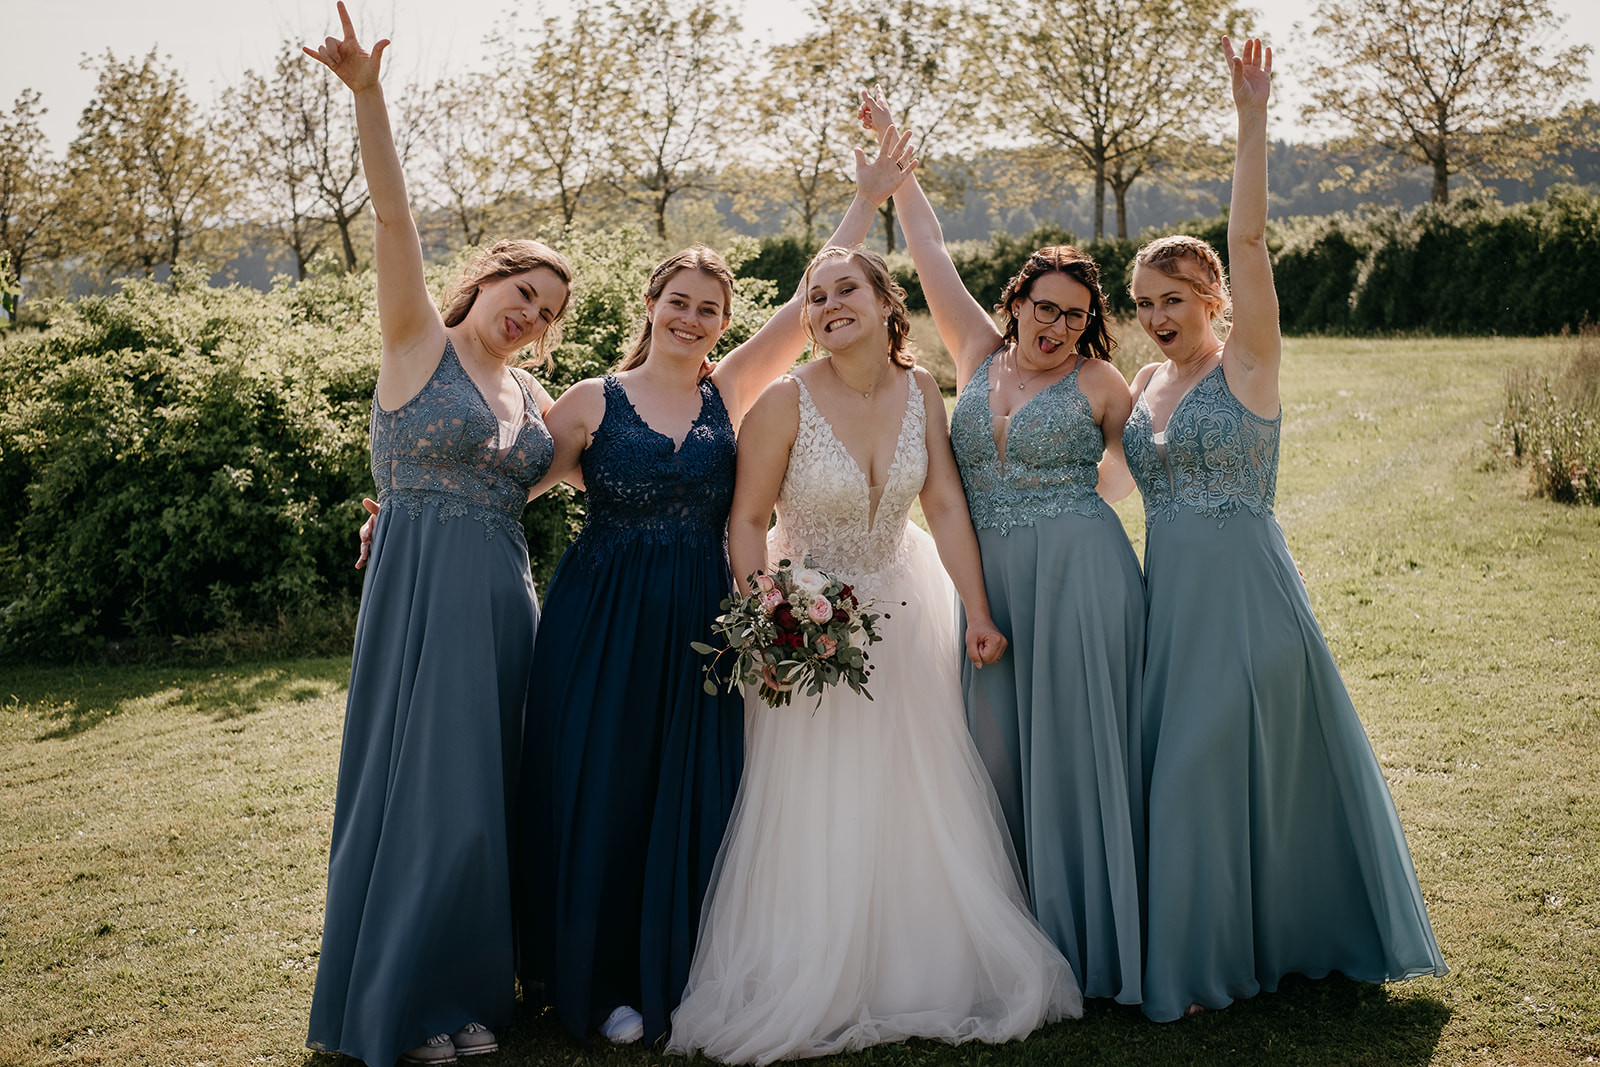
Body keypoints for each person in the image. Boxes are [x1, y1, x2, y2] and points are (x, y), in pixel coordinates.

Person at [520, 131, 921, 1048]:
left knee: (694, 791)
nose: (693, 319)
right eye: (679, 302)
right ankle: (595, 982)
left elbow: (806, 301)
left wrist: (865, 200)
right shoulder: (590, 399)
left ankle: (678, 970)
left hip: (703, 618)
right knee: (605, 787)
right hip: (601, 620)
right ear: (650, 304)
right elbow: (511, 482)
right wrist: (406, 509)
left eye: (709, 309)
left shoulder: (728, 391)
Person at [666, 241, 1080, 1064]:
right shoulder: (784, 400)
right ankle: (813, 966)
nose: (828, 306)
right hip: (807, 622)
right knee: (816, 793)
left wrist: (977, 610)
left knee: (911, 787)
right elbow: (746, 519)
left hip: (902, 602)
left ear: (887, 301)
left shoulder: (921, 389)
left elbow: (946, 504)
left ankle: (915, 966)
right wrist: (769, 617)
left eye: (845, 289)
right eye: (815, 297)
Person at [1122, 37, 1447, 1023]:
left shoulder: (1248, 364)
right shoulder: (1144, 382)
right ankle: (1234, 947)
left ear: (1214, 300)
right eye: (1143, 303)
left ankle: (1206, 966)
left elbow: (1253, 240)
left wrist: (1250, 118)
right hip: (1171, 611)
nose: (1157, 317)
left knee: (1205, 770)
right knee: (1200, 775)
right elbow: (1097, 480)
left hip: (1248, 600)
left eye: (1174, 300)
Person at [302, 5, 570, 1064]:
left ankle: (468, 991)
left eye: (545, 310)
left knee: (484, 800)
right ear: (487, 278)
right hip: (420, 595)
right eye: (521, 290)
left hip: (505, 602)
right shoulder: (418, 342)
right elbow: (394, 221)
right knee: (424, 794)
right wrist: (369, 98)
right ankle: (404, 1002)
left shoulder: (535, 400)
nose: (528, 313)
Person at [864, 93, 1146, 1003]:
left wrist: (1075, 506)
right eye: (1044, 308)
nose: (1056, 327)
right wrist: (896, 166)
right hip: (985, 582)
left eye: (1075, 316)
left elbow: (1146, 469)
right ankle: (1013, 935)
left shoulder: (1101, 382)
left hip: (1081, 577)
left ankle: (1097, 936)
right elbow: (930, 251)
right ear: (1015, 302)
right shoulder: (976, 354)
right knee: (991, 750)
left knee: (1078, 749)